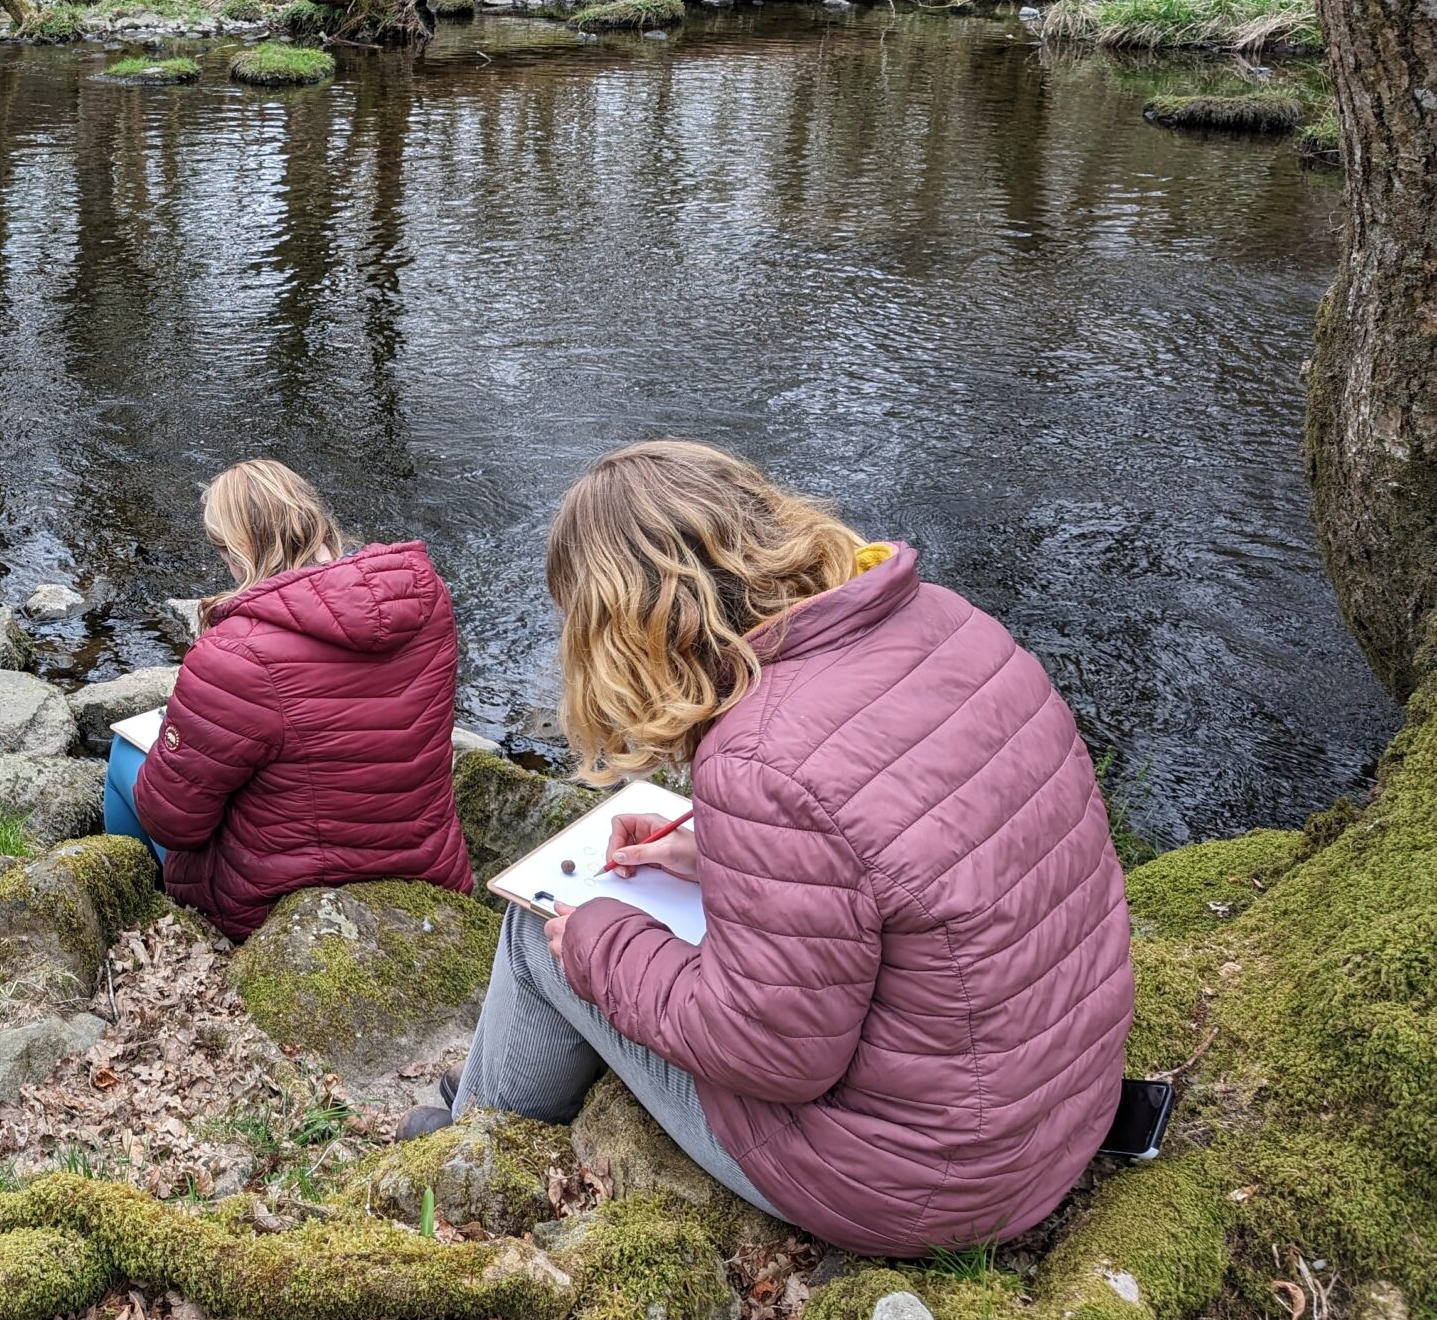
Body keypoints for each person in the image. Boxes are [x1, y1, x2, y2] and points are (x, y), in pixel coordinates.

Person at [422, 440, 1133, 1257]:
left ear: (624, 627)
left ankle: (469, 1149)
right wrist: (713, 849)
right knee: (595, 927)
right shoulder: (948, 620)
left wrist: (600, 940)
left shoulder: (760, 758)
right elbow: (898, 845)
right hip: (1057, 1106)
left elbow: (771, 1054)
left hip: (925, 1182)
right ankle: (489, 1096)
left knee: (543, 932)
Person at [106, 458, 472, 939]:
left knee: (122, 761)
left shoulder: (234, 654)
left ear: (235, 554)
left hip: (279, 904)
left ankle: (146, 915)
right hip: (431, 870)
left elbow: (173, 822)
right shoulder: (427, 600)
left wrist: (174, 744)